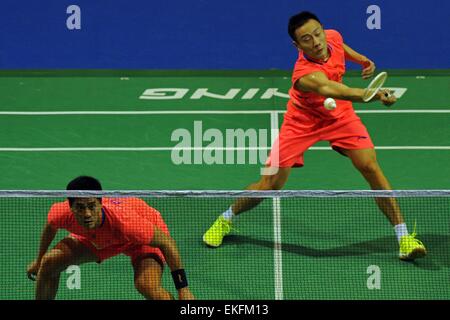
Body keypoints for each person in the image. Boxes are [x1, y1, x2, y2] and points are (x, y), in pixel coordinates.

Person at [203, 11, 426, 261]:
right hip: (301, 123)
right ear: (296, 45)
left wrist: (362, 60)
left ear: (323, 30)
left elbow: (341, 46)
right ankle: (225, 219)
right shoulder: (304, 75)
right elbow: (332, 88)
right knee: (270, 185)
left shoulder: (332, 37)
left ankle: (404, 237)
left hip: (340, 117)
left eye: (317, 34)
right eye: (306, 39)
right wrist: (372, 94)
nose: (316, 42)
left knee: (370, 167)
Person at [27, 176, 195, 300]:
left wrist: (183, 288)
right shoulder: (60, 213)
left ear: (101, 203)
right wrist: (39, 259)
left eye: (92, 206)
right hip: (98, 239)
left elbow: (166, 242)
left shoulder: (128, 222)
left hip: (136, 240)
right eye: (80, 207)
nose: (87, 214)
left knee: (146, 284)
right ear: (70, 206)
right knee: (49, 263)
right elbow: (50, 227)